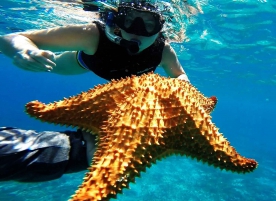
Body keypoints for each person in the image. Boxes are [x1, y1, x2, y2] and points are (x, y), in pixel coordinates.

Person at [0, 0, 189, 182]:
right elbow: (12, 38)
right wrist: (24, 51)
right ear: (117, 21)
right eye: (129, 21)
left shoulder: (163, 51)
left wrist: (181, 89)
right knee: (52, 64)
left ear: (160, 29)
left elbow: (180, 75)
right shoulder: (93, 35)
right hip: (86, 63)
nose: (137, 31)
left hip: (127, 86)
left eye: (149, 24)